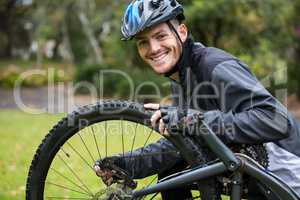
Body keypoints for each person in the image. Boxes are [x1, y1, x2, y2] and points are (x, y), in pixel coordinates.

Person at [94, 0, 300, 199]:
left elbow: (276, 121)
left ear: (181, 32)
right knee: (172, 174)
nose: (153, 48)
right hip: (257, 175)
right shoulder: (182, 77)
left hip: (289, 177)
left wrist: (193, 120)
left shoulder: (215, 66)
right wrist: (127, 163)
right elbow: (183, 144)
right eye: (143, 42)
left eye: (160, 36)